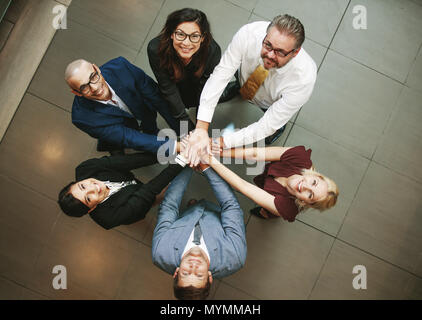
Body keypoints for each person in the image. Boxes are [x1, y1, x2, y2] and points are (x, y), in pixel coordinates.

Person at [185, 14, 318, 166]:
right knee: (242, 84)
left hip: (270, 101)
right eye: (267, 45)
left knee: (274, 123)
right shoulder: (249, 33)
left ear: (295, 52)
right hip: (246, 75)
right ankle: (240, 88)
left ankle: (279, 127)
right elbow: (221, 75)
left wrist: (220, 143)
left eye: (280, 52)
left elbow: (265, 126)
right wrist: (201, 128)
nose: (270, 54)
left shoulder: (304, 78)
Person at [151, 165, 246, 300]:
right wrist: (206, 167)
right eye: (199, 275)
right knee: (231, 214)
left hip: (186, 217)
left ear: (176, 272)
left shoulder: (160, 252)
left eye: (185, 273)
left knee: (178, 211)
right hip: (219, 216)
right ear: (210, 277)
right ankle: (197, 208)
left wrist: (188, 164)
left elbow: (169, 206)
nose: (193, 266)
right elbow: (230, 206)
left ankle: (193, 209)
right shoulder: (234, 256)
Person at [147, 8, 239, 134]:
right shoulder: (155, 49)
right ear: (171, 34)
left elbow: (205, 88)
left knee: (210, 94)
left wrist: (200, 129)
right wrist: (189, 131)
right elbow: (168, 89)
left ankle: (225, 92)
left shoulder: (212, 50)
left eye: (194, 36)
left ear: (202, 38)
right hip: (176, 87)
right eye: (180, 34)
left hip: (200, 85)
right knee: (174, 105)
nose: (186, 43)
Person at [65, 56, 180, 155]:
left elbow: (159, 99)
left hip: (144, 113)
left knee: (150, 128)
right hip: (118, 130)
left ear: (97, 68)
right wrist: (178, 147)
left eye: (93, 77)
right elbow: (129, 138)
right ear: (76, 93)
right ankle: (114, 147)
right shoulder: (82, 118)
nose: (95, 88)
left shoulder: (122, 67)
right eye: (84, 88)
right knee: (119, 142)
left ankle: (151, 131)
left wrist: (184, 131)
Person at [57, 142, 185, 230]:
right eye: (88, 199)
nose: (93, 188)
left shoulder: (85, 169)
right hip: (131, 205)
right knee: (154, 197)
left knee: (124, 157)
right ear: (91, 209)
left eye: (83, 186)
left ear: (76, 182)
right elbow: (148, 191)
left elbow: (131, 162)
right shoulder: (108, 218)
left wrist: (172, 149)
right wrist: (182, 160)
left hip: (120, 174)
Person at [202, 143, 338, 221]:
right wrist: (217, 152)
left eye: (310, 195)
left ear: (305, 202)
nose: (305, 186)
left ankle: (267, 213)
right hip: (272, 177)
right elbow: (255, 154)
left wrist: (209, 159)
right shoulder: (300, 158)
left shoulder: (287, 207)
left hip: (279, 201)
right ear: (316, 175)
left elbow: (243, 186)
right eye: (313, 182)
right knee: (265, 189)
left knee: (270, 210)